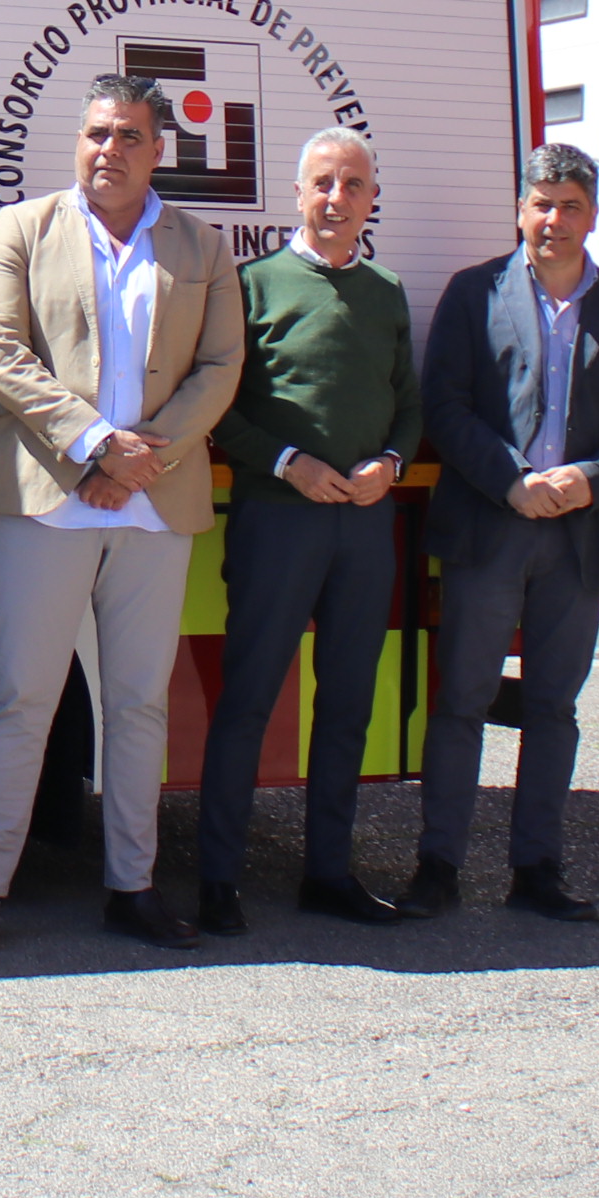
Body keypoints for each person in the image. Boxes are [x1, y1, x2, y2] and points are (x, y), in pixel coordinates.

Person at [0, 71, 245, 955]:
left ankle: (133, 887)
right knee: (24, 699)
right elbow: (0, 352)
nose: (107, 149)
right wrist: (94, 448)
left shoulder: (203, 245)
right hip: (51, 500)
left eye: (126, 136)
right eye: (94, 134)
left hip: (154, 506)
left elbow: (222, 367)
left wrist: (141, 458)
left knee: (137, 706)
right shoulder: (23, 229)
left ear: (160, 148)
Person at [412, 143, 599, 921]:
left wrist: (590, 480)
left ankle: (537, 870)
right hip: (491, 527)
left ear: (592, 216)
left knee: (554, 708)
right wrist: (511, 481)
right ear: (520, 209)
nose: (554, 219)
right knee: (461, 701)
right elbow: (444, 406)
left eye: (571, 206)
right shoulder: (473, 293)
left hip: (578, 539)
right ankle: (437, 867)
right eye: (541, 203)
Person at [193, 128, 422, 934]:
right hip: (278, 521)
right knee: (249, 698)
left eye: (352, 185)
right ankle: (216, 878)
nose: (335, 199)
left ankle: (329, 871)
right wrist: (288, 461)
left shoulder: (387, 292)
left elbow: (409, 401)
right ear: (297, 193)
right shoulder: (253, 285)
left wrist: (391, 461)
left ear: (370, 199)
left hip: (363, 527)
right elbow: (220, 408)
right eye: (322, 183)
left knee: (349, 705)